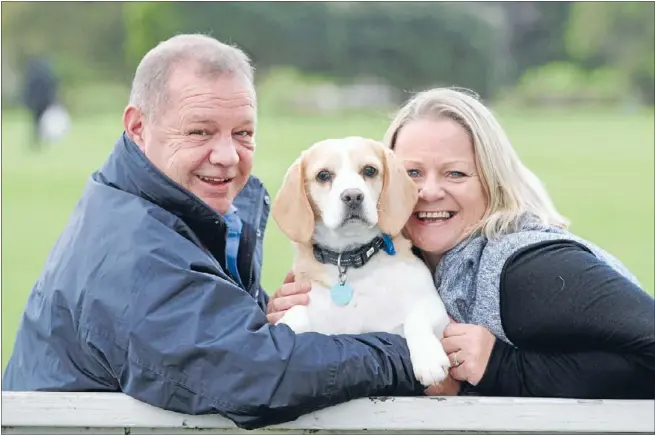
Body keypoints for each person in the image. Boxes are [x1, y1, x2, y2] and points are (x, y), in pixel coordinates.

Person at [2, 35, 428, 430]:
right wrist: (407, 353)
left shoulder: (176, 210)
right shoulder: (133, 249)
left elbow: (214, 343)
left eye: (243, 133)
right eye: (200, 131)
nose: (227, 156)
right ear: (137, 127)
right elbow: (255, 376)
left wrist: (269, 316)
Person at [267, 87, 655, 399]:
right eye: (413, 172)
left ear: (492, 181)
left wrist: (503, 367)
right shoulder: (395, 258)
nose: (428, 192)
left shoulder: (530, 269)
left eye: (455, 173)